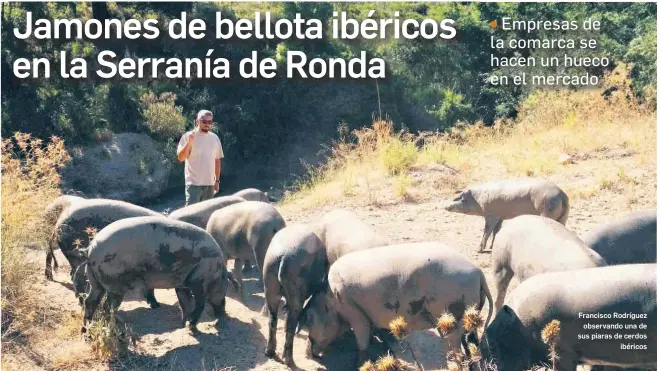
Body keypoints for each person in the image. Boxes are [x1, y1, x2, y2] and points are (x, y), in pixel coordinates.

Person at [177, 109, 224, 206]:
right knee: (189, 215)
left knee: (206, 217)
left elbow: (217, 160)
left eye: (209, 122)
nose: (207, 124)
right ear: (197, 121)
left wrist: (217, 181)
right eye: (204, 121)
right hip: (193, 184)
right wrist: (189, 142)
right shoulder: (187, 136)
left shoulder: (214, 138)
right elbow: (181, 158)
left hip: (210, 185)